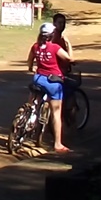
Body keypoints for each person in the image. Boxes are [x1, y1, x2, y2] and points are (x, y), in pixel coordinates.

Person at [27, 22, 73, 152]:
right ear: (52, 35)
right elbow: (69, 59)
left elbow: (30, 63)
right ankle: (58, 144)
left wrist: (32, 69)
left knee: (33, 102)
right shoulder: (54, 48)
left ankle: (29, 118)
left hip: (38, 78)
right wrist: (69, 45)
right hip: (53, 82)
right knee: (56, 113)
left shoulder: (35, 47)